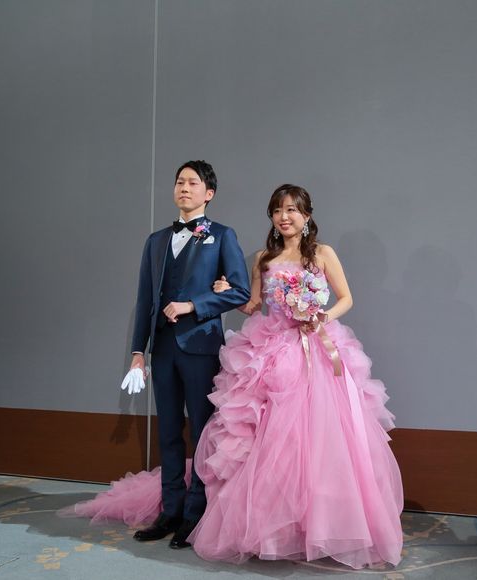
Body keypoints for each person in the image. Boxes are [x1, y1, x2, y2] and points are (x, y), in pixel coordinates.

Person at [64, 183, 403, 569]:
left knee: (317, 439)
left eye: (291, 210)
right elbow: (254, 305)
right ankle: (271, 528)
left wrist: (320, 316)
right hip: (271, 351)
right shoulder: (264, 258)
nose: (284, 217)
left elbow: (346, 298)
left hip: (314, 350)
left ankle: (320, 525)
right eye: (277, 210)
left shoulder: (323, 254)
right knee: (267, 441)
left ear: (306, 216)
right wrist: (230, 292)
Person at [128, 160, 250, 548]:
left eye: (192, 183)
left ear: (208, 193)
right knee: (167, 433)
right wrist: (138, 351)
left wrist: (193, 305)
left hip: (200, 348)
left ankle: (195, 515)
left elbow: (240, 292)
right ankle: (170, 511)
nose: (184, 188)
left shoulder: (222, 236)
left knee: (201, 432)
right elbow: (145, 300)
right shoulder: (156, 241)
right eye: (179, 182)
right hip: (163, 350)